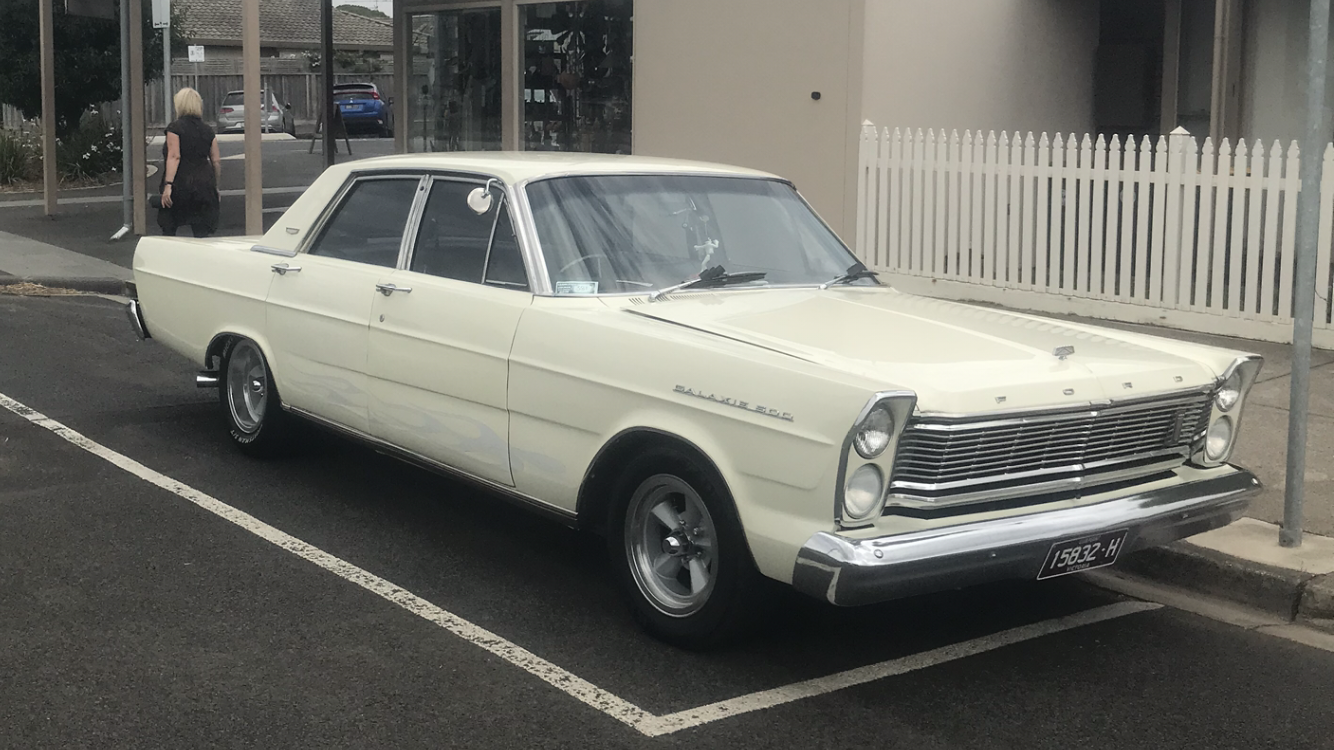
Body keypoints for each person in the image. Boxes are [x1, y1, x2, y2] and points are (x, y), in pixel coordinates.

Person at [158, 87, 221, 237]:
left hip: (181, 183)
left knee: (169, 226)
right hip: (204, 184)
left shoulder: (175, 128)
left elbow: (175, 156)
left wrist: (168, 185)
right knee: (201, 232)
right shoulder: (208, 130)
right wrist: (215, 186)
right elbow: (216, 160)